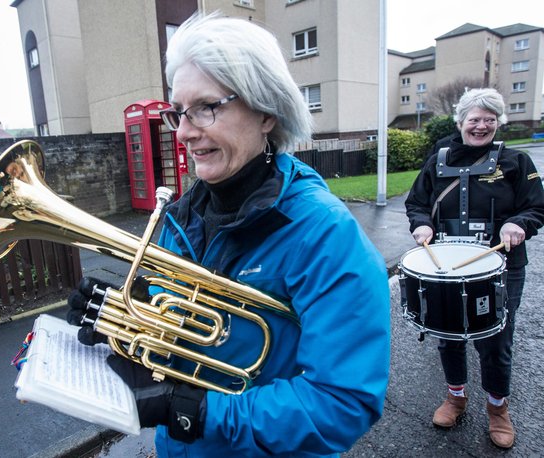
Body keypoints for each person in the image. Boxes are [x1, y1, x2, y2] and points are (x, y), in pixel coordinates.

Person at [68, 13, 390, 457]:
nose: (183, 132)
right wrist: (124, 317)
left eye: (206, 107)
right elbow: (180, 337)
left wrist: (198, 412)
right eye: (178, 112)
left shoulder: (326, 235)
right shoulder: (180, 217)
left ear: (265, 112)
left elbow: (343, 402)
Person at [405, 87, 544, 449]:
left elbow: (536, 207)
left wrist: (520, 224)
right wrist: (421, 223)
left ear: (498, 123)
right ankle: (456, 397)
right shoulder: (438, 158)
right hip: (446, 265)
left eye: (489, 120)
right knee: (448, 334)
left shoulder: (516, 161)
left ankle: (498, 408)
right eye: (475, 119)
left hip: (501, 266)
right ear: (460, 122)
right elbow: (417, 202)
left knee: (496, 338)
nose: (481, 126)